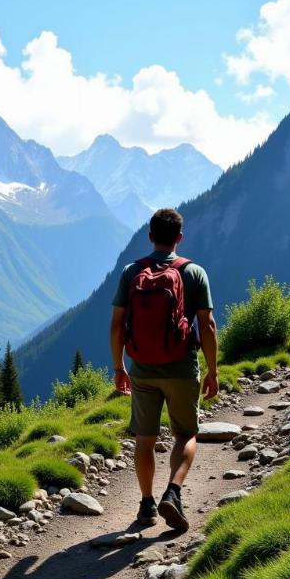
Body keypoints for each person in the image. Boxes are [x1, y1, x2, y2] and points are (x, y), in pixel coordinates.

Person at [109, 208, 218, 530]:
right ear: (179, 238)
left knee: (145, 437)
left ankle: (146, 505)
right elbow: (207, 325)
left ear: (150, 236)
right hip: (182, 367)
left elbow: (117, 325)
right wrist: (213, 370)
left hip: (142, 368)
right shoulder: (194, 273)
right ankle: (173, 491)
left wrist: (119, 366)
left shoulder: (132, 272)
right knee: (185, 433)